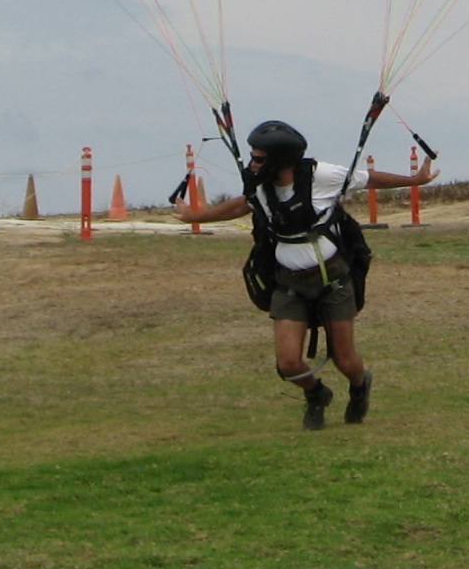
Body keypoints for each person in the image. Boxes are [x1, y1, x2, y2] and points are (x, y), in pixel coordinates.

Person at [187, 118, 439, 429]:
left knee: (345, 360)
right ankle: (317, 395)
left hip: (332, 280)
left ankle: (360, 387)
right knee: (289, 363)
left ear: (279, 161)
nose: (253, 163)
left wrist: (414, 181)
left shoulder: (321, 175)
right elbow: (241, 206)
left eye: (259, 158)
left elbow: (368, 178)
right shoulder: (261, 187)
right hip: (289, 282)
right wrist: (194, 216)